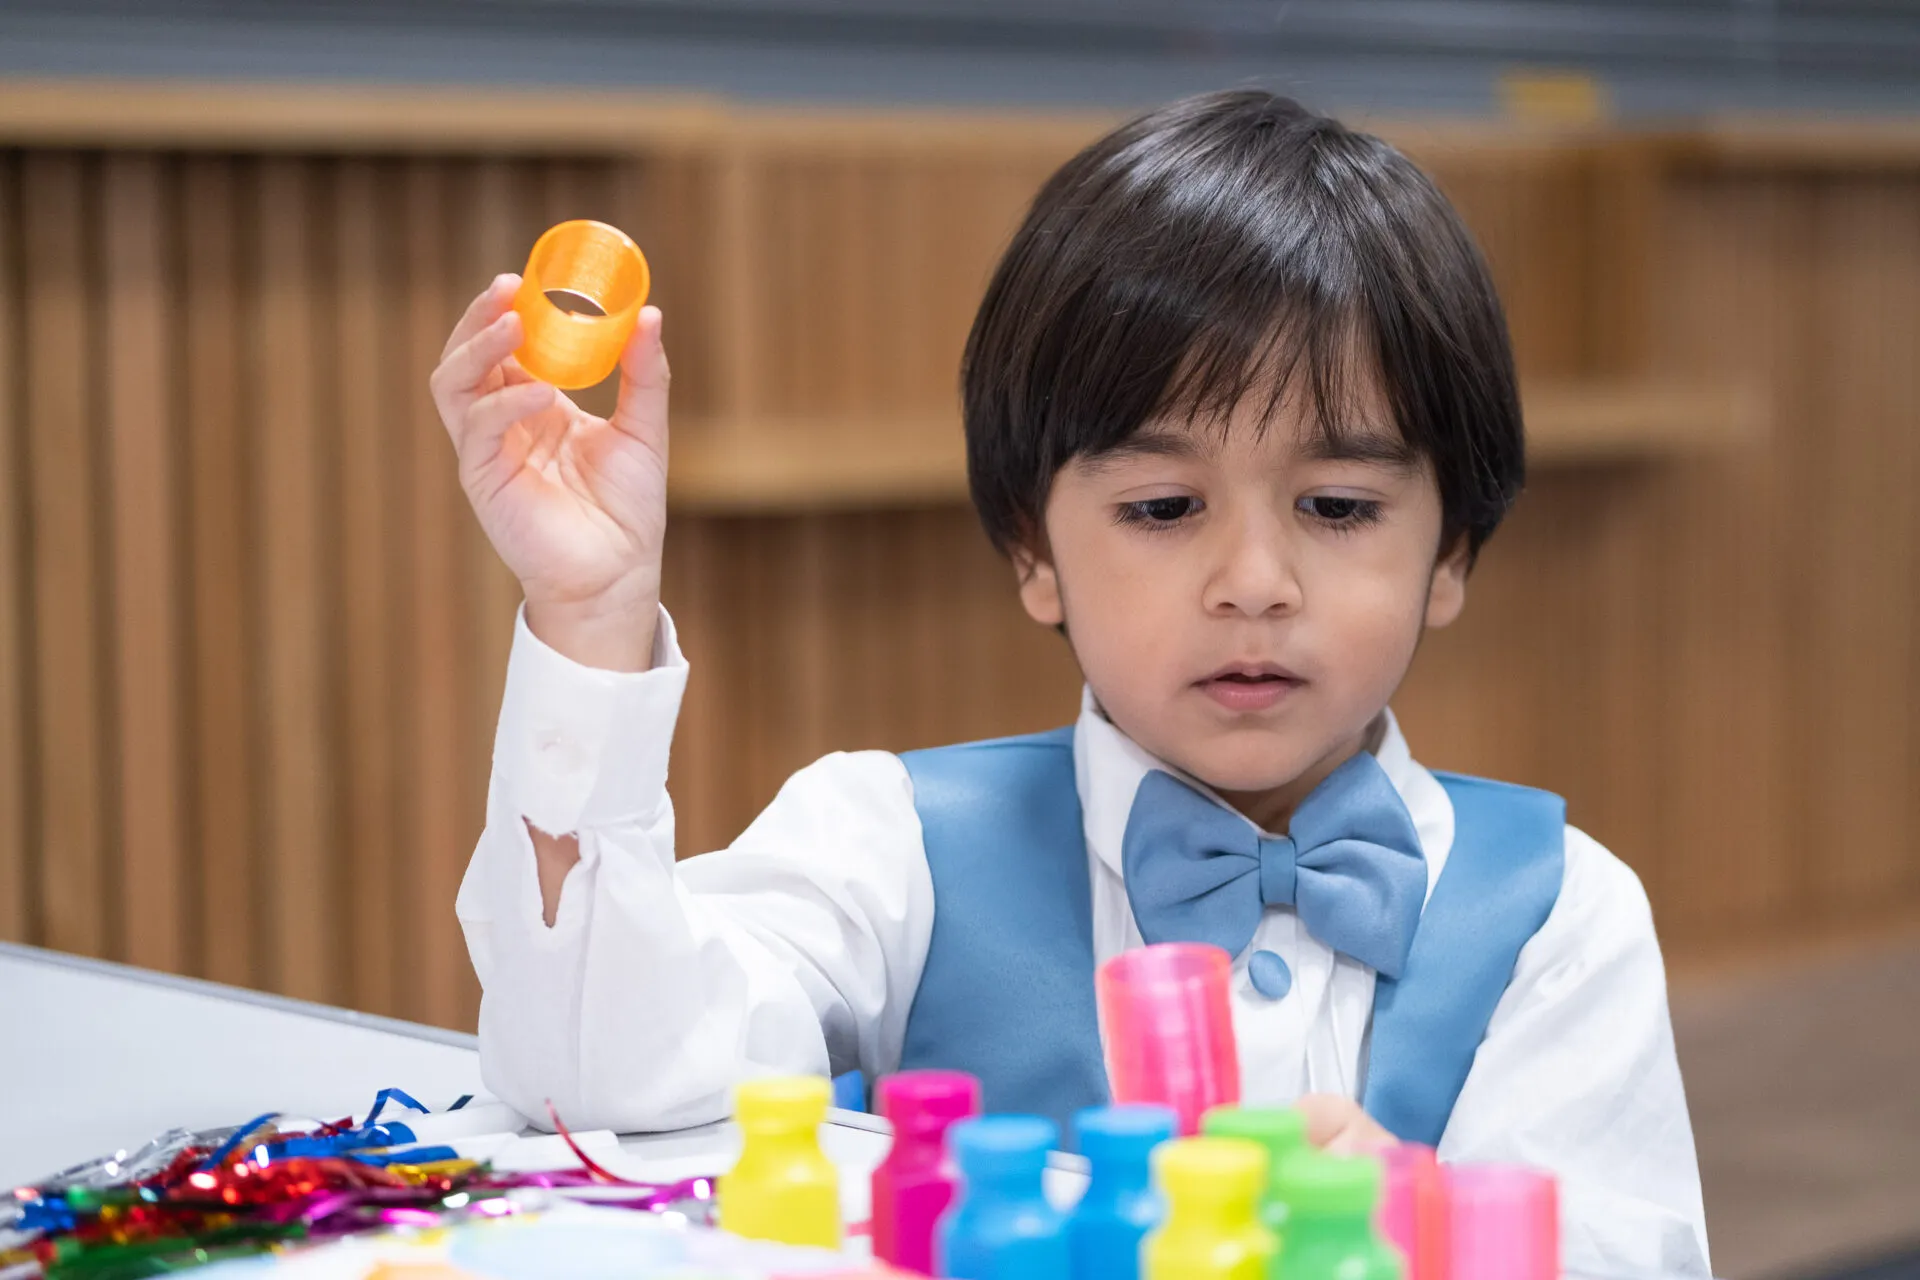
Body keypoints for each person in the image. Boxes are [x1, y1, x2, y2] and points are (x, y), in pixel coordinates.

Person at [435, 92, 1708, 1275]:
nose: (1254, 580)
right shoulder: (890, 847)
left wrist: (1417, 1232)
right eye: (1162, 504)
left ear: (1452, 552)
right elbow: (595, 1072)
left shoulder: (1558, 914)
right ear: (1036, 552)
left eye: (1338, 504)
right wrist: (590, 614)